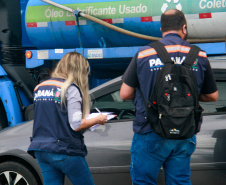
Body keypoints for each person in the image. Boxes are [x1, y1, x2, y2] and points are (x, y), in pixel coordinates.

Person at [120, 9, 218, 185]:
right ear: (184, 28)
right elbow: (213, 96)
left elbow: (124, 93)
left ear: (161, 29)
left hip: (150, 129)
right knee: (180, 181)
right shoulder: (199, 55)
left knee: (144, 181)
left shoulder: (144, 54)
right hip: (185, 130)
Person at [28, 52, 107, 185]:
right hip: (64, 150)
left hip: (41, 149)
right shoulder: (70, 88)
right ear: (79, 71)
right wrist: (97, 119)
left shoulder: (40, 87)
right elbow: (76, 124)